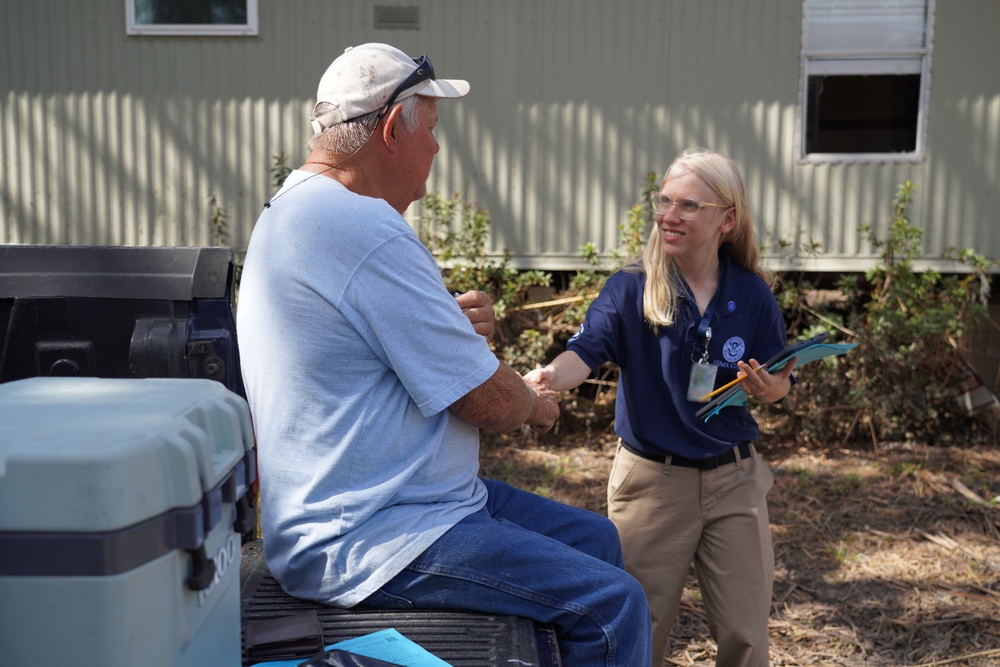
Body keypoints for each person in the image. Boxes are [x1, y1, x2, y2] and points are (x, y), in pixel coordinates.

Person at [236, 43, 652, 666]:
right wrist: (533, 403)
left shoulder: (293, 209)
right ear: (391, 129)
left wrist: (443, 328)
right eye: (430, 129)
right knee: (613, 603)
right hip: (374, 532)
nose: (436, 149)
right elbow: (485, 400)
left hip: (386, 504)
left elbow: (358, 344)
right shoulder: (365, 230)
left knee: (597, 539)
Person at [525, 148, 793, 666]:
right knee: (638, 633)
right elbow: (585, 352)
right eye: (664, 201)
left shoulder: (752, 294)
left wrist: (768, 388)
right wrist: (549, 378)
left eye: (689, 206)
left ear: (726, 219)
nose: (669, 216)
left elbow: (781, 380)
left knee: (745, 634)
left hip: (734, 480)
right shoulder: (631, 288)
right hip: (651, 482)